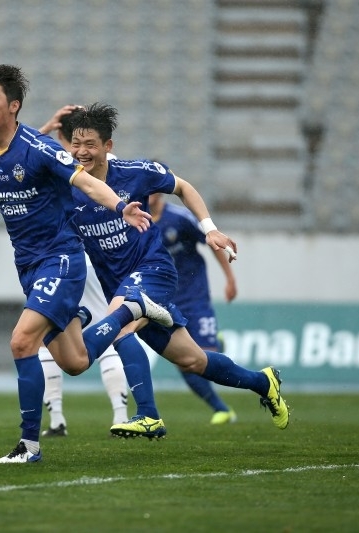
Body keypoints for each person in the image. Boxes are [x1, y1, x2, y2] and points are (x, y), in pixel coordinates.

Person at [0, 65, 175, 464]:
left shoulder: (38, 147)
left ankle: (28, 446)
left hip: (62, 260)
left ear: (13, 106)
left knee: (21, 341)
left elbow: (85, 181)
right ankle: (130, 313)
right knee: (74, 362)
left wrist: (121, 206)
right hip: (30, 265)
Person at [66, 102, 289, 438]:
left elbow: (183, 187)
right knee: (194, 361)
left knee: (121, 325)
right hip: (123, 285)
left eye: (90, 145)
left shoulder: (136, 172)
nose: (81, 152)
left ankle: (148, 415)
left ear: (108, 146)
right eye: (76, 144)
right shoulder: (68, 188)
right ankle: (264, 382)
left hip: (154, 271)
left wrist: (210, 227)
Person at [37, 105, 130, 436]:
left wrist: (46, 127)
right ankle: (120, 416)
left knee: (44, 335)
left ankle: (57, 419)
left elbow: (24, 155)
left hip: (69, 261)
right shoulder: (109, 167)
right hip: (91, 261)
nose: (80, 149)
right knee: (107, 334)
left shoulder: (60, 167)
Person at [150, 191, 239, 424]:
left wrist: (229, 278)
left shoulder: (179, 218)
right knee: (186, 362)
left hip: (194, 296)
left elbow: (213, 243)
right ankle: (221, 409)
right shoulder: (135, 219)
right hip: (162, 299)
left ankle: (216, 343)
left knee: (208, 356)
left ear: (159, 191)